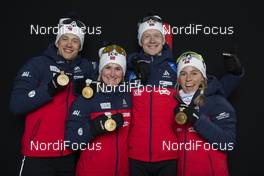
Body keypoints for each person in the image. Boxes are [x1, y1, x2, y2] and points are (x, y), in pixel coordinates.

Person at [127, 14, 242, 176]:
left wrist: (234, 75)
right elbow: (108, 72)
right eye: (146, 36)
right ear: (140, 41)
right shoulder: (128, 70)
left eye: (156, 36)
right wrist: (132, 61)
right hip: (136, 156)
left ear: (164, 39)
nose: (152, 40)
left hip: (169, 156)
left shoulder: (176, 69)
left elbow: (208, 90)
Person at [9, 15, 95, 176]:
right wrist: (49, 89)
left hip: (68, 154)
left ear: (80, 46)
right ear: (57, 42)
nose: (69, 44)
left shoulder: (85, 68)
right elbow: (16, 105)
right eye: (65, 39)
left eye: (75, 40)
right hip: (38, 154)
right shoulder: (37, 64)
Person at [65, 44, 132, 176]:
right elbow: (71, 142)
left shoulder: (129, 97)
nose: (112, 74)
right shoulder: (86, 98)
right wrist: (95, 127)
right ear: (101, 70)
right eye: (107, 67)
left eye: (118, 69)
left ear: (123, 73)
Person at [173, 51, 236, 176]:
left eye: (194, 73)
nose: (188, 79)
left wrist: (197, 120)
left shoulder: (217, 102)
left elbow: (228, 143)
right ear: (178, 79)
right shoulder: (174, 102)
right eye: (183, 73)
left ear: (203, 77)